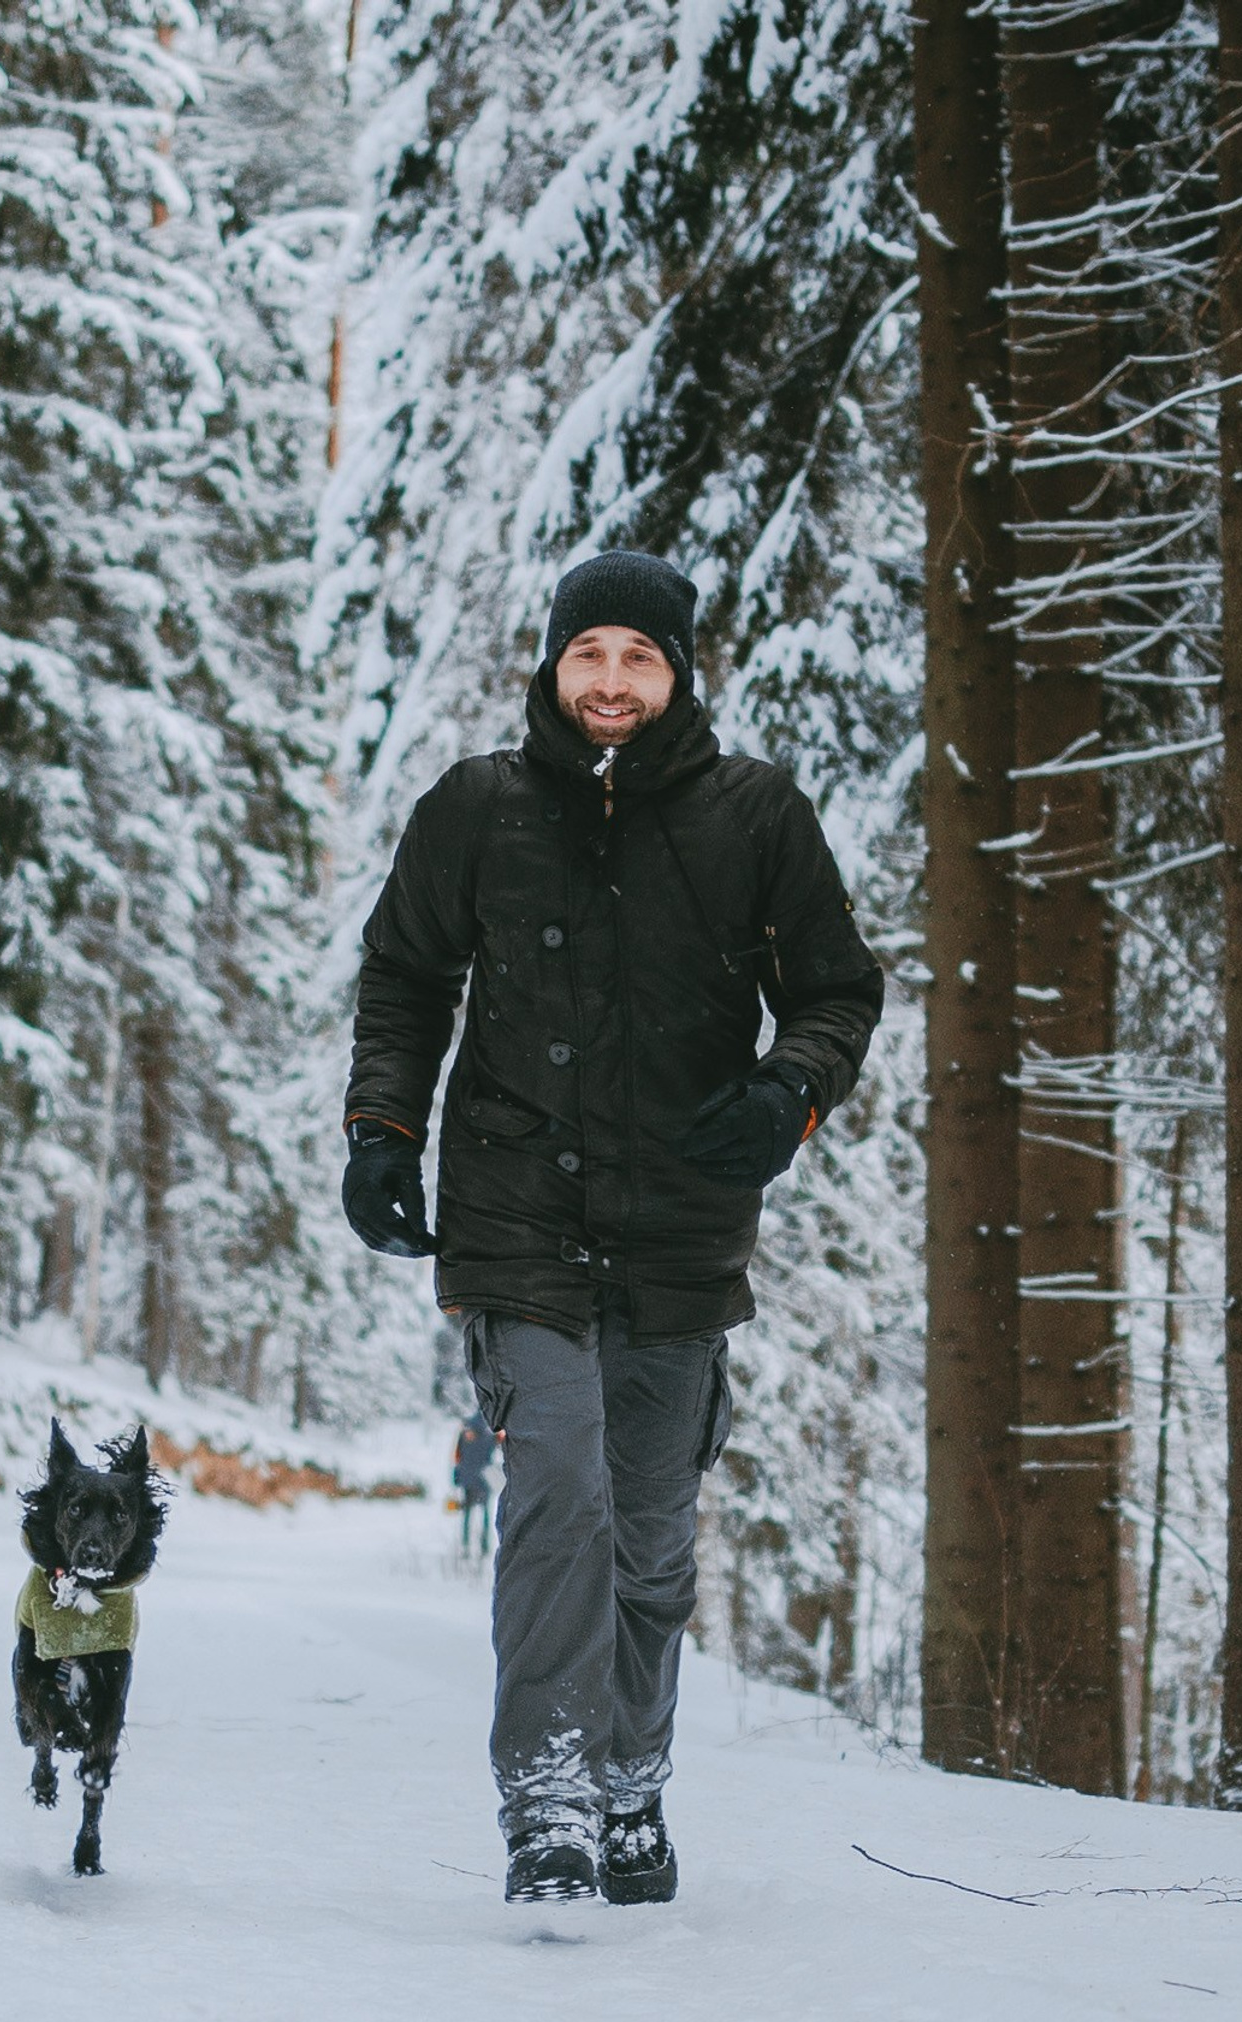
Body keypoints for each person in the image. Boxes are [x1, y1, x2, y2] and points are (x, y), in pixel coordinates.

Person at [341, 550, 881, 1905]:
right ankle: (551, 1798)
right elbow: (406, 978)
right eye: (591, 655)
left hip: (686, 1225)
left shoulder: (754, 815)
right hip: (518, 1212)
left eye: (641, 657)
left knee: (648, 1538)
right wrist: (382, 1135)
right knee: (561, 1496)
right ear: (553, 663)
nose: (613, 682)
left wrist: (788, 1096)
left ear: (679, 672)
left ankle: (634, 1788)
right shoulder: (479, 806)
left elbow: (836, 991)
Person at [452, 1411, 497, 1559]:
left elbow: (458, 1457)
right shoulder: (489, 1434)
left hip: (468, 1479)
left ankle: (465, 1544)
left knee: (467, 1513)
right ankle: (484, 1545)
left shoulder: (465, 1433)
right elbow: (494, 1449)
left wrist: (456, 1477)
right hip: (483, 1480)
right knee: (485, 1513)